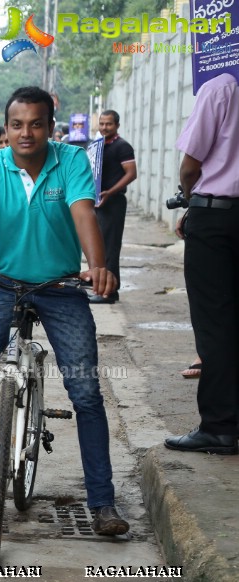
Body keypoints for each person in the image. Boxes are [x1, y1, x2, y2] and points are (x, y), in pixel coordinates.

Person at [0, 86, 129, 536]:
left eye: (36, 124)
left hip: (60, 287)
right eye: (17, 124)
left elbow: (83, 214)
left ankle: (102, 501)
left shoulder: (72, 162)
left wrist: (98, 266)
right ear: (6, 128)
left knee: (86, 391)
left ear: (51, 127)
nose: (25, 133)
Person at [165, 73, 239, 456]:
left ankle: (221, 427)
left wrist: (190, 199)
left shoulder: (222, 87)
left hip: (218, 218)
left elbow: (190, 166)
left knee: (215, 321)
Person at [88, 110, 137, 305]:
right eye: (101, 124)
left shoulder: (122, 147)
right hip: (99, 202)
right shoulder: (98, 146)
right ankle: (104, 287)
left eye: (108, 124)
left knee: (110, 247)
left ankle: (109, 292)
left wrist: (111, 191)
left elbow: (131, 173)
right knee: (99, 246)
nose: (104, 128)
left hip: (113, 202)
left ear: (116, 125)